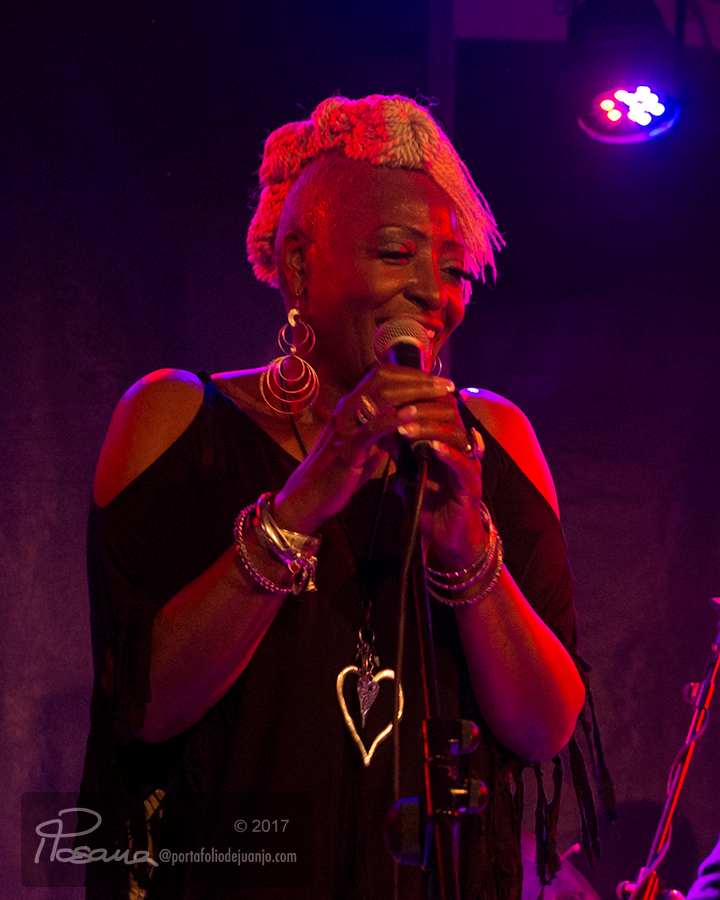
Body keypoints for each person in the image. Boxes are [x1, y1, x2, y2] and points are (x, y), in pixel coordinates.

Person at [80, 94, 588, 900]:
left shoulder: (493, 440)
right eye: (396, 253)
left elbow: (543, 728)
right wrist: (300, 504)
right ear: (298, 265)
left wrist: (468, 550)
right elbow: (144, 707)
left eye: (452, 268)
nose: (434, 292)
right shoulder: (177, 419)